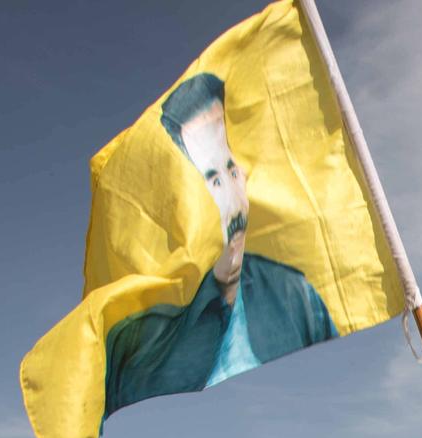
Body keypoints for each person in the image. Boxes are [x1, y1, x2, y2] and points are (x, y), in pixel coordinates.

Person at [103, 72, 337, 417]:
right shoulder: (139, 344)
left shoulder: (296, 295)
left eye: (231, 170)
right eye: (212, 180)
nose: (234, 201)